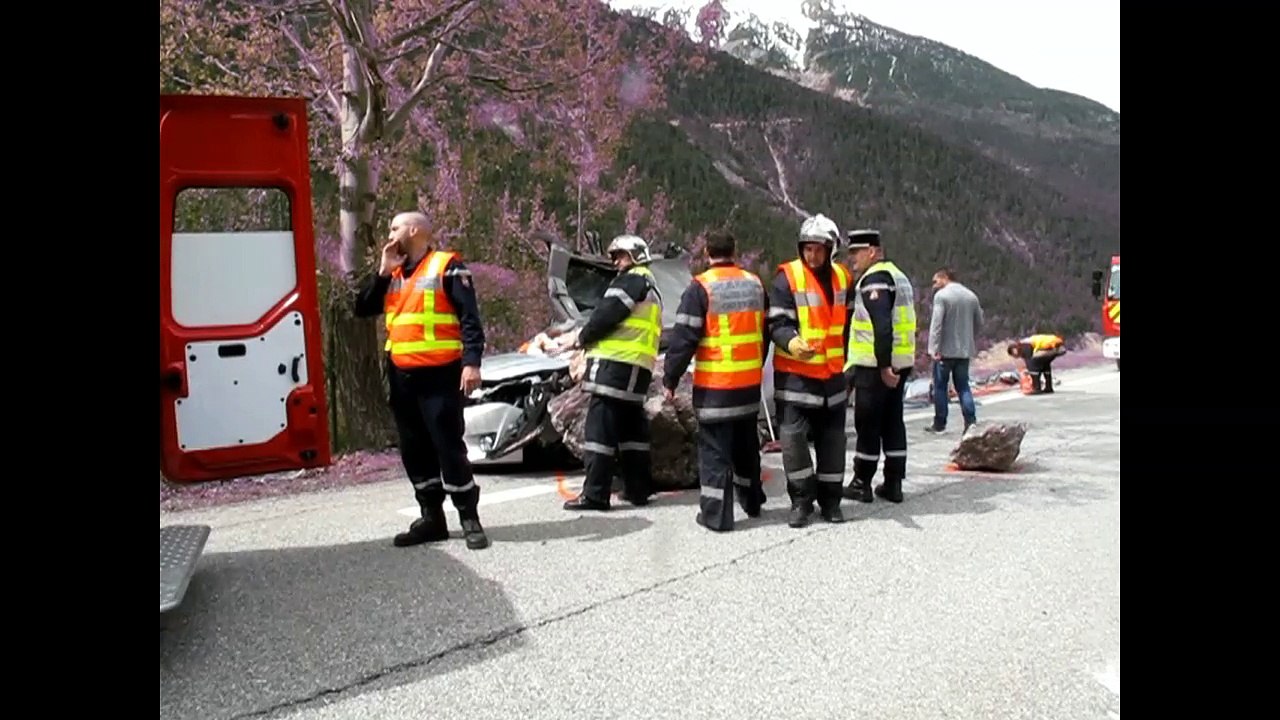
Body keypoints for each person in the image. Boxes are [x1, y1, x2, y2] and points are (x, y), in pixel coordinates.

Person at [354, 211, 490, 550]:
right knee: (414, 450)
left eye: (395, 227)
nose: (390, 232)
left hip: (440, 375)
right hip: (402, 377)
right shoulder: (394, 272)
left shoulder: (447, 266)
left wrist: (471, 363)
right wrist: (383, 272)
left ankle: (469, 517)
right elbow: (362, 307)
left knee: (449, 447)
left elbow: (470, 320)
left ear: (414, 230)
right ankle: (432, 518)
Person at [662, 230, 769, 532]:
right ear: (735, 251)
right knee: (747, 447)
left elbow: (684, 339)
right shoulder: (755, 285)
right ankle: (752, 502)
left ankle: (716, 515)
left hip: (716, 388)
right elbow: (765, 332)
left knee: (714, 452)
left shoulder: (701, 288)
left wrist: (670, 378)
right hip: (748, 385)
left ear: (707, 252)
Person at [561, 234, 663, 512]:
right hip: (637, 369)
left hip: (614, 367)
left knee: (599, 431)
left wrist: (581, 338)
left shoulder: (630, 281)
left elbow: (606, 315)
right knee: (632, 431)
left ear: (636, 255)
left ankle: (595, 494)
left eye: (620, 255)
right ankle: (638, 489)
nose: (616, 261)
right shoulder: (651, 287)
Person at [767, 213, 851, 528]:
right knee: (793, 443)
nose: (812, 255)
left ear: (831, 249)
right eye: (807, 248)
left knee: (833, 443)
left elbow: (847, 324)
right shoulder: (786, 278)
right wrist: (791, 342)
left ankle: (831, 502)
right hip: (796, 377)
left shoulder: (843, 278)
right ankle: (801, 501)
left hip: (832, 377)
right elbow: (777, 323)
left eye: (818, 249)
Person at [842, 228, 917, 505]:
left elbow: (882, 326)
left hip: (876, 366)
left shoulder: (875, 280)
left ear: (872, 252)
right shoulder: (899, 276)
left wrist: (884, 366)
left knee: (868, 424)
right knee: (893, 422)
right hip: (902, 361)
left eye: (856, 253)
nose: (852, 259)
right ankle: (894, 482)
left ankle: (862, 482)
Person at [925, 267, 984, 434]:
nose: (934, 285)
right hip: (964, 351)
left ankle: (940, 423)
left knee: (941, 387)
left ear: (944, 278)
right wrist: (970, 338)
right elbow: (979, 321)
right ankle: (970, 421)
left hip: (944, 351)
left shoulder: (942, 296)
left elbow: (937, 324)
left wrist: (933, 348)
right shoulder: (971, 296)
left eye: (936, 281)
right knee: (963, 386)